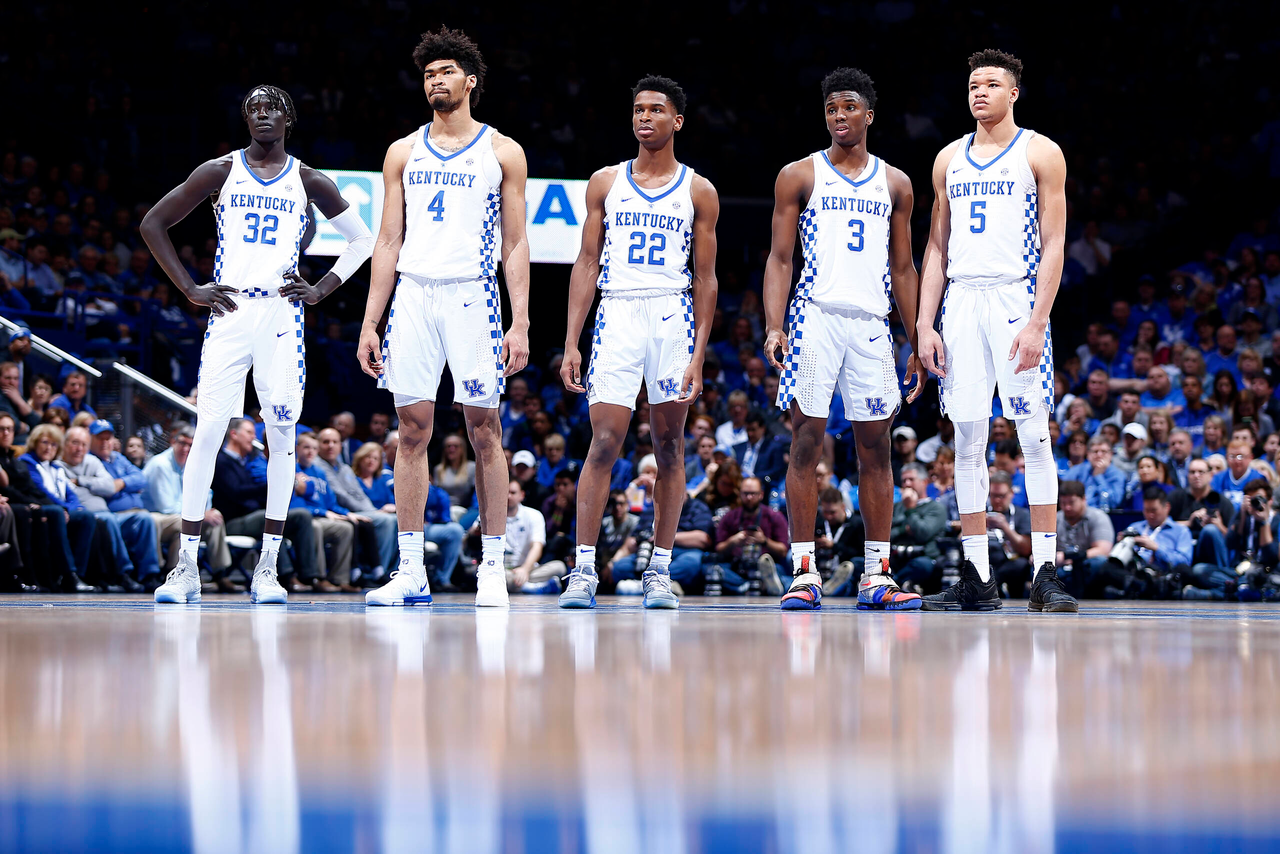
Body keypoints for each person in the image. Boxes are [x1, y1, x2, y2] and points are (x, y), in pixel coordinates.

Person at [141, 84, 373, 605]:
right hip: (228, 311)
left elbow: (364, 240)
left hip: (281, 315)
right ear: (245, 119)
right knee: (207, 433)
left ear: (289, 118)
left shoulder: (308, 179)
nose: (263, 115)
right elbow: (152, 223)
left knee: (283, 436)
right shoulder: (219, 171)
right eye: (254, 108)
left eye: (273, 108)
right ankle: (186, 569)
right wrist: (188, 288)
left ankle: (266, 569)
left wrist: (320, 290)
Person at [360, 28, 530, 609]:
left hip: (473, 296)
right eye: (429, 72)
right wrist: (370, 321)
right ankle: (411, 572)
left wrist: (521, 322)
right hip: (412, 295)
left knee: (485, 430)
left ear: (470, 81)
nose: (436, 79)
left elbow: (515, 244)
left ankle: (491, 566)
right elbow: (387, 240)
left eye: (447, 71)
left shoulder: (502, 151)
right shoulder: (402, 151)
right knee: (410, 432)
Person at [915, 49, 1076, 612]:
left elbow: (1055, 244)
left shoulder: (1039, 151)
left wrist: (1037, 322)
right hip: (961, 301)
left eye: (990, 84)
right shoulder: (947, 159)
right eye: (972, 84)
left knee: (1033, 434)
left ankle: (1045, 573)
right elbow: (935, 246)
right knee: (967, 438)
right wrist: (924, 323)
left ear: (1014, 94)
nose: (978, 92)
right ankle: (977, 577)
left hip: (1015, 297)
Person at [761, 66, 924, 612]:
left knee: (875, 447)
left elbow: (904, 268)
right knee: (806, 440)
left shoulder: (895, 182)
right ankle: (803, 571)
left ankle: (877, 574)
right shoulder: (799, 175)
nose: (839, 116)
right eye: (831, 108)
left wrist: (918, 335)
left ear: (869, 114)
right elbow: (780, 258)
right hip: (816, 317)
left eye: (849, 107)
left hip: (873, 324)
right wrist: (775, 323)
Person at [556, 74, 718, 611]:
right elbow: (585, 261)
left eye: (655, 110)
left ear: (677, 120)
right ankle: (582, 569)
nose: (644, 117)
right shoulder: (605, 181)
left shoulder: (699, 189)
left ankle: (659, 567)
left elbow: (706, 280)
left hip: (671, 314)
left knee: (669, 447)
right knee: (604, 443)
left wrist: (698, 352)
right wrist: (572, 340)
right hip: (618, 311)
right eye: (638, 110)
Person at [210, 417, 320, 592]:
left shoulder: (244, 461)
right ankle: (286, 576)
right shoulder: (221, 460)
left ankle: (310, 576)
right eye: (249, 433)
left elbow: (250, 493)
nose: (253, 438)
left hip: (252, 517)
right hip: (232, 521)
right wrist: (275, 483)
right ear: (233, 434)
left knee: (301, 516)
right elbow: (236, 492)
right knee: (269, 519)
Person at [143, 422, 232, 576]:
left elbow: (206, 494)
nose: (185, 449)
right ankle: (174, 573)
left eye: (190, 445)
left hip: (178, 517)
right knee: (184, 523)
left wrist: (206, 512)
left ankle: (220, 573)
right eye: (182, 443)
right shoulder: (160, 465)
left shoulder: (193, 464)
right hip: (155, 518)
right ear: (173, 441)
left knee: (215, 520)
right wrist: (201, 514)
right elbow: (166, 507)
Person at [314, 428, 397, 584]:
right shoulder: (318, 466)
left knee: (393, 519)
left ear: (341, 445)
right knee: (387, 520)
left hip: (359, 510)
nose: (331, 446)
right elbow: (341, 496)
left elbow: (359, 494)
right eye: (326, 442)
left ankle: (387, 570)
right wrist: (371, 512)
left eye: (335, 442)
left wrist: (372, 511)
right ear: (318, 445)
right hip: (341, 510)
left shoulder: (344, 468)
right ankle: (378, 571)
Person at [19, 424, 97, 589]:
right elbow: (43, 492)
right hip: (41, 507)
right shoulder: (27, 463)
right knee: (56, 513)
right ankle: (68, 574)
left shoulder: (56, 467)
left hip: (61, 509)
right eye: (45, 442)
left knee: (87, 516)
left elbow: (71, 494)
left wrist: (75, 508)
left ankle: (78, 575)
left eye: (53, 444)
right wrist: (65, 508)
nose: (49, 448)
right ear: (35, 443)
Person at [291, 432, 360, 592]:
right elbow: (294, 506)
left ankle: (339, 579)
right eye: (306, 447)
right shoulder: (293, 469)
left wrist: (346, 513)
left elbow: (331, 503)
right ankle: (319, 578)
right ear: (297, 448)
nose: (310, 452)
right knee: (314, 527)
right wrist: (321, 512)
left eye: (314, 448)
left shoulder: (320, 473)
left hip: (321, 516)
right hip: (306, 519)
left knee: (346, 528)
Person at [712, 476, 787, 593]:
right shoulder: (730, 517)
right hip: (737, 567)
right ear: (740, 494)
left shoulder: (774, 517)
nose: (749, 498)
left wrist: (764, 541)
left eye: (753, 494)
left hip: (765, 565)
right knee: (713, 569)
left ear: (761, 494)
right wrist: (733, 541)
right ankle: (752, 586)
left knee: (778, 570)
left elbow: (783, 551)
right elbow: (719, 549)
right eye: (745, 494)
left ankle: (749, 586)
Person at [500, 477, 567, 593]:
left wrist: (525, 569)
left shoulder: (534, 515)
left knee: (559, 567)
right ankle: (532, 587)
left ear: (522, 495)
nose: (508, 496)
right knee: (485, 574)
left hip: (529, 569)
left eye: (513, 493)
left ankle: (520, 585)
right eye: (505, 492)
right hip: (501, 569)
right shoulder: (489, 515)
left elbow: (537, 546)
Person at [1055, 479, 1115, 599]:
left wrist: (1070, 558)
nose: (1067, 507)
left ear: (1083, 499)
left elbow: (1103, 550)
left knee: (1099, 563)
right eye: (1063, 503)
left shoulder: (1098, 517)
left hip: (1086, 565)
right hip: (1060, 567)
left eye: (1071, 502)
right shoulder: (1055, 519)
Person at [1211, 438, 1266, 509]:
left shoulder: (1259, 478)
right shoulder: (1218, 478)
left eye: (1240, 456)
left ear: (1250, 457)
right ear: (1227, 458)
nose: (1236, 461)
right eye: (1232, 456)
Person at [433, 432, 476, 508]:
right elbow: (437, 494)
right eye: (448, 446)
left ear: (462, 449)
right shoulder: (438, 469)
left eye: (455, 446)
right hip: (444, 509)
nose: (452, 449)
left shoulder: (472, 467)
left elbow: (475, 494)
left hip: (466, 510)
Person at [0, 361, 39, 436]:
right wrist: (27, 427)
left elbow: (38, 423)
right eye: (8, 378)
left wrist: (19, 401)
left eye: (15, 378)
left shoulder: (18, 397)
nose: (12, 382)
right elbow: (13, 424)